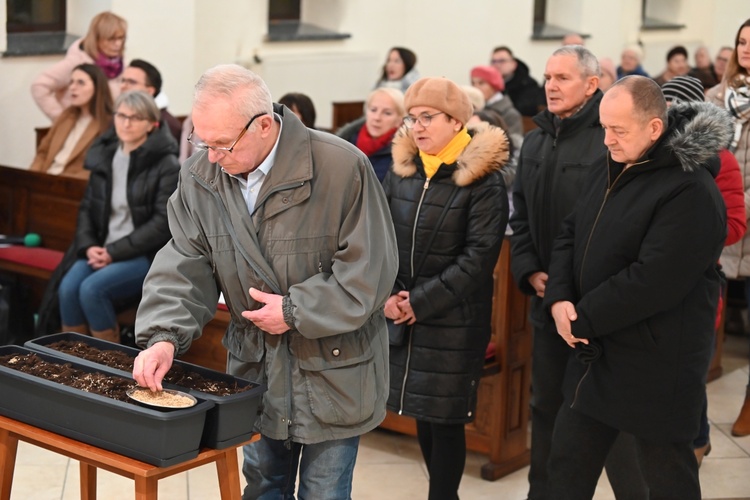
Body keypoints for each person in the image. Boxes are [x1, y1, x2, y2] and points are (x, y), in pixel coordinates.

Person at [130, 64, 398, 500]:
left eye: (222, 144)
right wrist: (163, 337)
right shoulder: (201, 178)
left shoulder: (340, 166)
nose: (211, 156)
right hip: (258, 366)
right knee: (261, 488)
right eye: (201, 140)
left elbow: (369, 271)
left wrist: (295, 311)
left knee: (324, 492)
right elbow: (185, 263)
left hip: (333, 367)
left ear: (264, 126)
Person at [543, 75, 730, 500]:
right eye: (604, 128)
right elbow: (570, 233)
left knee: (664, 478)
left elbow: (654, 280)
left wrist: (581, 317)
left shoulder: (691, 190)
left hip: (657, 361)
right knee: (567, 468)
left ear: (654, 128)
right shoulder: (608, 166)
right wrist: (559, 299)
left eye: (618, 130)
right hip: (595, 352)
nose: (606, 139)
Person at [384, 76, 509, 500]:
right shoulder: (403, 171)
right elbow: (382, 236)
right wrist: (388, 294)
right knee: (421, 410)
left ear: (456, 121)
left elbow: (478, 258)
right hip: (402, 309)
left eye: (428, 118)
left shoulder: (482, 179)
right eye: (412, 118)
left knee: (446, 417)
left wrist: (419, 302)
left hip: (454, 317)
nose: (417, 127)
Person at [508, 45, 605, 500]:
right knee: (544, 406)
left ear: (592, 84)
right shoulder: (536, 138)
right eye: (548, 76)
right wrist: (529, 271)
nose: (550, 85)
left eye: (563, 77)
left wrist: (566, 284)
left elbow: (603, 224)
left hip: (590, 301)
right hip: (547, 298)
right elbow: (521, 214)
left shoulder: (607, 137)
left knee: (588, 411)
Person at [57, 90, 179, 343]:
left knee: (92, 290)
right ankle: (70, 359)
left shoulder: (166, 164)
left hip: (145, 255)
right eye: (121, 115)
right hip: (102, 249)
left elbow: (161, 224)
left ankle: (107, 364)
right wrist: (89, 246)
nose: (126, 123)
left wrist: (113, 251)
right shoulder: (106, 157)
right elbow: (87, 210)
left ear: (152, 124)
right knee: (67, 289)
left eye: (135, 117)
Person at [706, 18, 750, 439]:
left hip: (743, 217)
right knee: (704, 313)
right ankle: (694, 416)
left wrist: (738, 205)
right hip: (713, 224)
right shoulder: (714, 98)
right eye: (741, 42)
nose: (746, 49)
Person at [31, 11, 126, 120]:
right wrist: (62, 120)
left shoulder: (121, 63)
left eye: (121, 38)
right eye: (111, 39)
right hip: (81, 131)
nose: (118, 44)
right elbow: (39, 86)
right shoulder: (76, 62)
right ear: (97, 38)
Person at [29, 63, 113, 178]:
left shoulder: (108, 123)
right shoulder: (66, 115)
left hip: (72, 187)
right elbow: (43, 153)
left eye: (80, 83)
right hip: (45, 180)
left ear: (97, 87)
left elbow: (100, 168)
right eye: (71, 82)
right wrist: (31, 178)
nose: (72, 87)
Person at [336, 87, 404, 182]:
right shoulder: (344, 143)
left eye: (387, 113)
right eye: (373, 110)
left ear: (399, 120)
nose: (377, 118)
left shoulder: (403, 154)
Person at [120, 59, 182, 143]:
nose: (123, 86)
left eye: (131, 82)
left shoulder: (167, 125)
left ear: (150, 91)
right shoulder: (117, 117)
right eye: (123, 81)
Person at [470, 65, 523, 152]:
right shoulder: (476, 109)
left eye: (481, 83)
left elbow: (516, 144)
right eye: (473, 83)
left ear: (494, 84)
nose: (476, 87)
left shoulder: (510, 114)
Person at [490, 46, 545, 116]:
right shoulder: (487, 85)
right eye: (493, 61)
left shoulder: (527, 84)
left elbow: (525, 111)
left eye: (502, 61)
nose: (497, 65)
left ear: (513, 64)